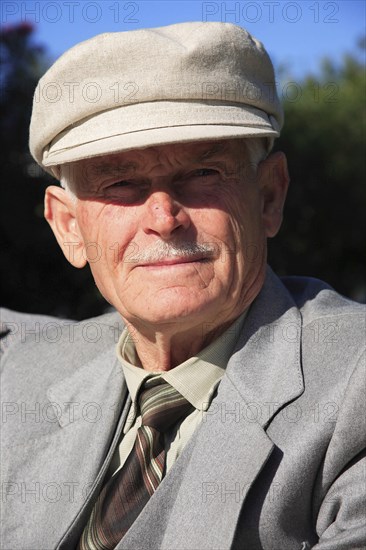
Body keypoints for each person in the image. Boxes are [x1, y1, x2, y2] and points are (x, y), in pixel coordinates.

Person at [0, 21, 365, 550]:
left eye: (203, 173)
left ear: (268, 197)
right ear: (69, 228)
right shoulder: (19, 379)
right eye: (121, 183)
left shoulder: (352, 385)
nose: (164, 217)